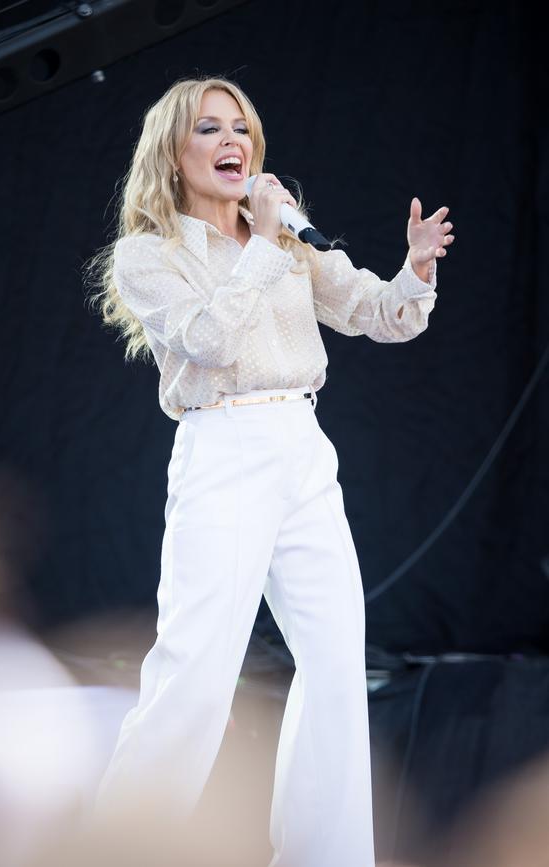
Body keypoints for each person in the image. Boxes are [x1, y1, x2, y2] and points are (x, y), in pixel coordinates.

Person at [84, 74, 454, 867]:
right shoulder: (148, 254)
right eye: (210, 129)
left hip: (301, 445)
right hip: (224, 446)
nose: (232, 142)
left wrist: (415, 272)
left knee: (335, 662)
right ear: (173, 154)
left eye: (242, 129)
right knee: (194, 673)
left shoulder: (287, 245)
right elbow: (207, 341)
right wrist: (260, 243)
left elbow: (375, 313)